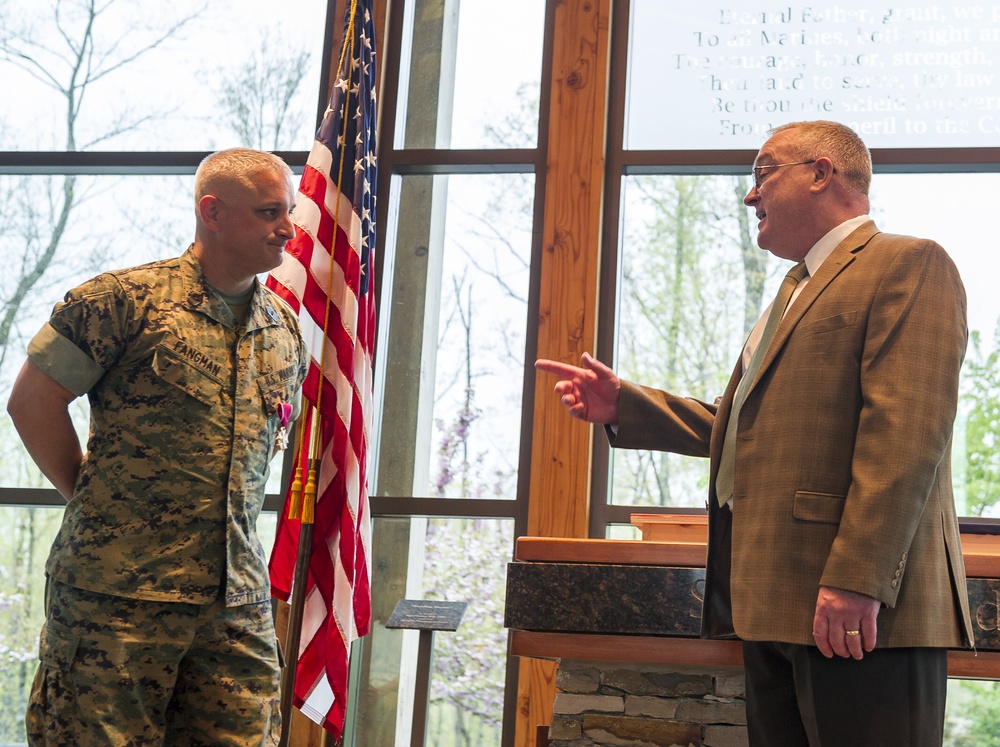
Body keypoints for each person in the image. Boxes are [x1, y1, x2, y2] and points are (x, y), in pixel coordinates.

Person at [536, 120, 973, 747]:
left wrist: (856, 579)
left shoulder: (908, 264)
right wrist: (625, 406)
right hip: (773, 598)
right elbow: (744, 423)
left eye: (763, 172)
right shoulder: (795, 288)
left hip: (861, 610)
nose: (750, 195)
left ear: (822, 173)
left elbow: (906, 436)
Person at [7, 147, 308, 746]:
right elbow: (32, 403)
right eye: (270, 211)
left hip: (233, 604)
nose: (287, 229)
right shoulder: (122, 301)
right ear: (212, 212)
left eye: (290, 211)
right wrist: (90, 499)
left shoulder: (282, 329)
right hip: (114, 598)